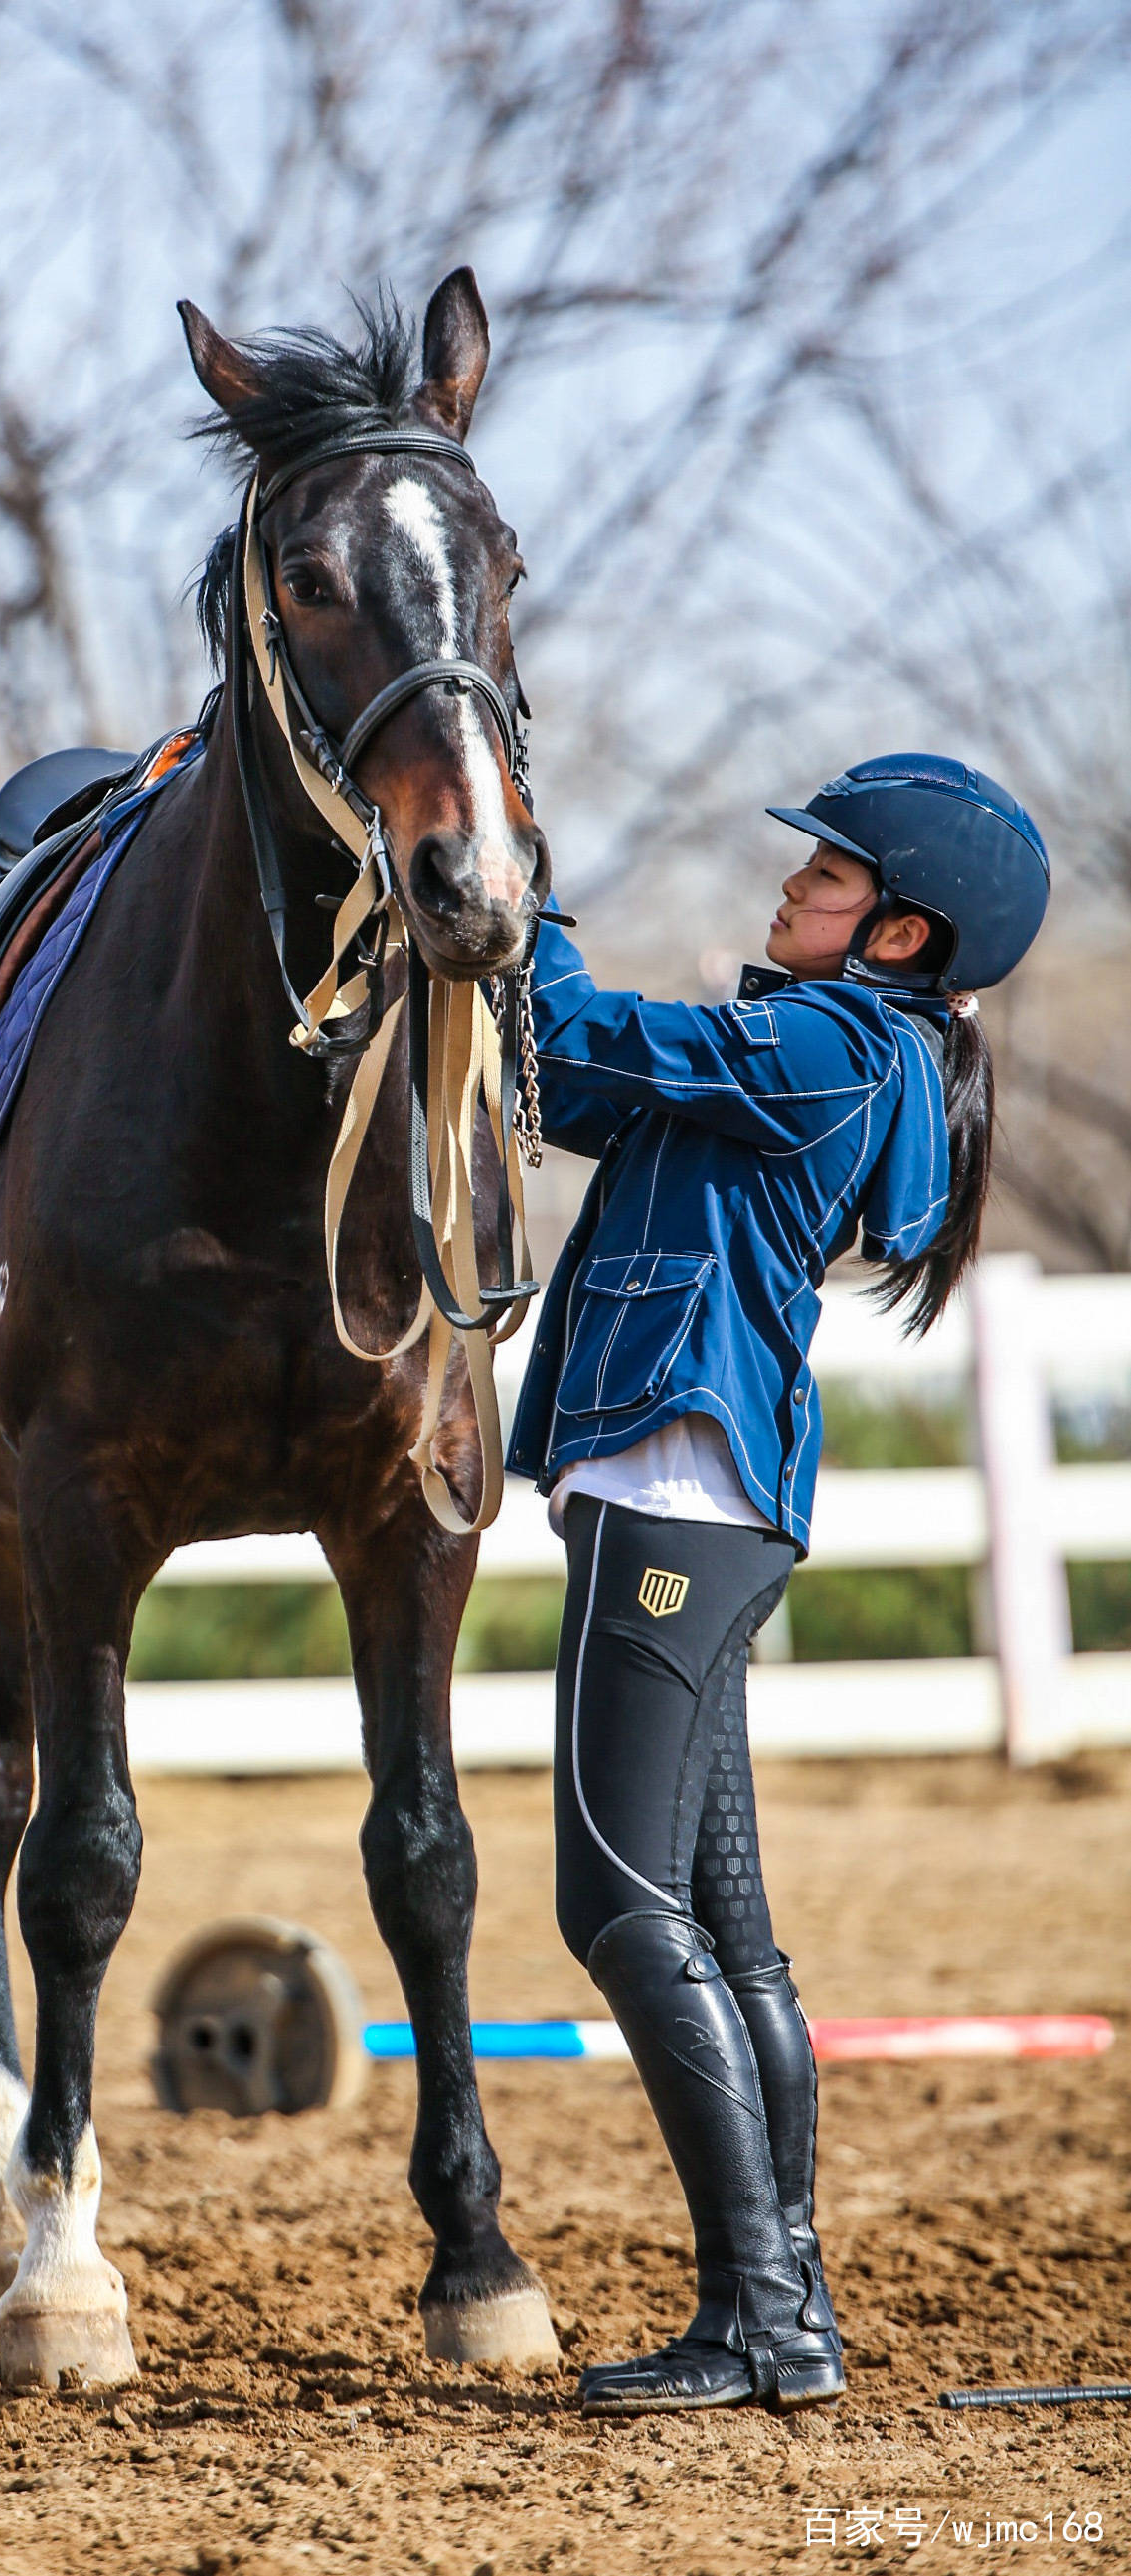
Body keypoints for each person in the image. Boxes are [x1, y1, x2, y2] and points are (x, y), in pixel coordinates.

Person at [506, 753, 1049, 2416]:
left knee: (612, 1903)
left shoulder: (823, 1047)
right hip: (694, 1499)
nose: (785, 890)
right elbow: (578, 1086)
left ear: (897, 933)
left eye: (822, 879)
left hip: (678, 1488)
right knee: (729, 1933)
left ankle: (760, 2317)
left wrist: (513, 897)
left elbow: (598, 1033)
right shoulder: (818, 1046)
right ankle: (781, 2304)